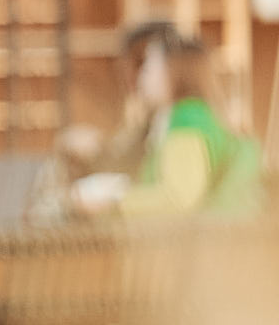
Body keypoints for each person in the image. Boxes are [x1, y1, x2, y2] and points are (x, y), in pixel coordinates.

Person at [71, 23, 262, 217]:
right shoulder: (184, 115)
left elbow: (179, 199)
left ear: (172, 73)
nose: (142, 76)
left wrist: (114, 204)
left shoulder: (187, 122)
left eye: (149, 68)